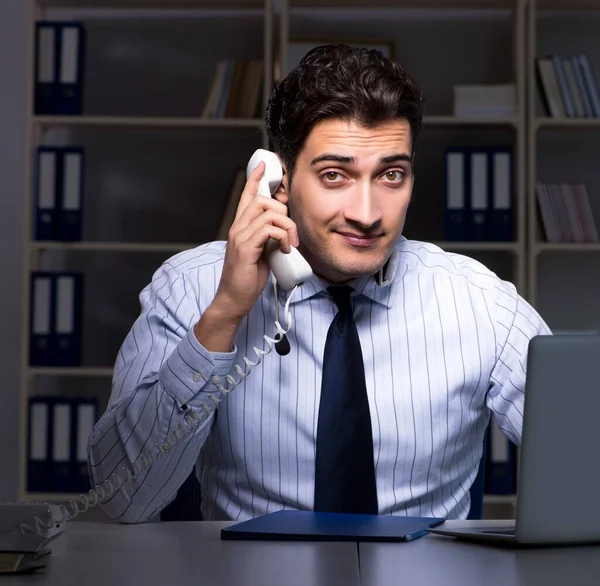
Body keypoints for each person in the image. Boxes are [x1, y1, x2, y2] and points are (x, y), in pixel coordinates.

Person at [87, 44, 551, 524]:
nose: (367, 214)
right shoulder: (191, 287)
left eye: (392, 175)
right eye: (335, 175)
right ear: (278, 182)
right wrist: (226, 313)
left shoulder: (482, 303)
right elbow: (124, 500)